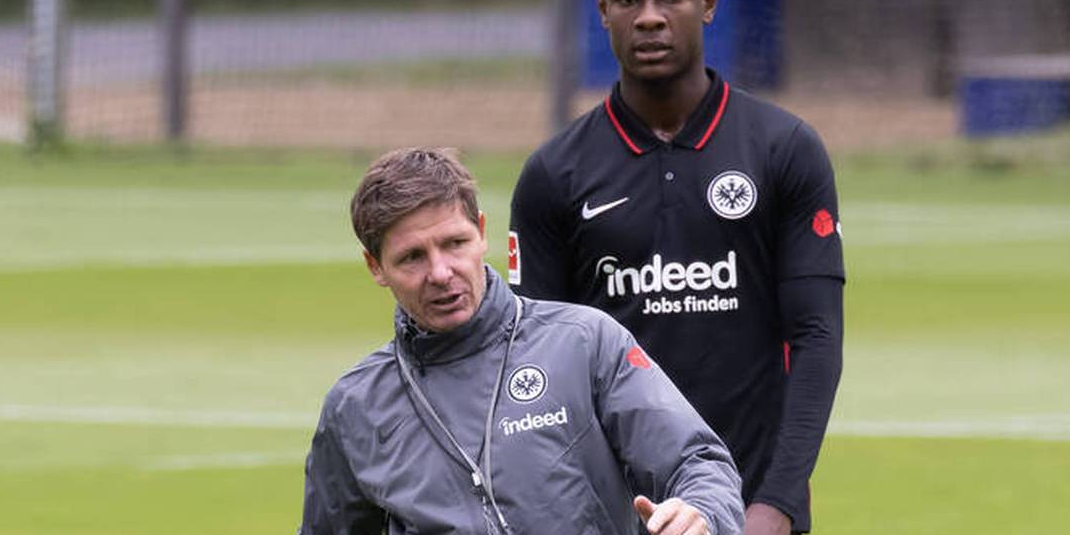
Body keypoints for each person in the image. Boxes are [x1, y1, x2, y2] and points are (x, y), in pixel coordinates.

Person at [508, 0, 844, 535]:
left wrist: (775, 506)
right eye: (630, 0)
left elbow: (817, 339)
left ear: (708, 4)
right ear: (603, 10)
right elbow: (535, 368)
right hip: (612, 514)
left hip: (751, 511)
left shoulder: (783, 150)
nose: (651, 17)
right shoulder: (553, 175)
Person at [299, 147, 744, 535]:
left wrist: (700, 512)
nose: (440, 272)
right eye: (412, 257)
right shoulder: (355, 406)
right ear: (375, 266)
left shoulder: (583, 342)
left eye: (454, 243)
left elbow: (699, 461)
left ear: (482, 233)